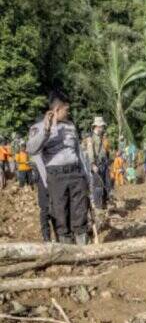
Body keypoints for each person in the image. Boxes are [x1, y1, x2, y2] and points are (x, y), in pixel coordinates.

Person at [27, 91, 90, 245]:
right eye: (66, 110)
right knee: (60, 213)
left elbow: (79, 152)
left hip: (75, 173)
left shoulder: (70, 126)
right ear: (56, 110)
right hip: (56, 176)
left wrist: (86, 175)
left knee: (80, 210)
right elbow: (31, 149)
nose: (68, 113)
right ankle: (66, 250)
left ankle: (82, 247)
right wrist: (47, 130)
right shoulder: (39, 127)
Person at [84, 117, 111, 207]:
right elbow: (90, 151)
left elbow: (105, 150)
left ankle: (104, 204)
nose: (103, 128)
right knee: (98, 186)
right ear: (97, 126)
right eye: (102, 126)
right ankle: (98, 206)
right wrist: (92, 164)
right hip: (97, 164)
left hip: (104, 163)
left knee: (106, 184)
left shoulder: (101, 137)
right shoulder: (90, 138)